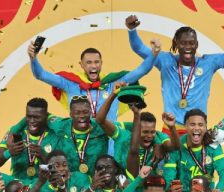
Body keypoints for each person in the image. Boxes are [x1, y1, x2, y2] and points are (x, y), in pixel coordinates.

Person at [125, 13, 224, 125]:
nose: (188, 47)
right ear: (176, 43)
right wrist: (132, 30)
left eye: (191, 43)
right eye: (183, 43)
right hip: (171, 128)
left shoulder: (209, 63)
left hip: (198, 129)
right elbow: (139, 48)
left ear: (196, 44)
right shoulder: (165, 60)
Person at [27, 26, 158, 121]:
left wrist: (154, 54)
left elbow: (141, 71)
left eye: (96, 62)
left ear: (101, 63)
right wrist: (33, 58)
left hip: (109, 144)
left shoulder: (114, 82)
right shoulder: (70, 83)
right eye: (89, 62)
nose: (93, 66)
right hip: (82, 142)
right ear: (81, 65)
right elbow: (41, 75)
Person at [164, 109, 224, 192]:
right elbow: (169, 175)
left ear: (205, 127)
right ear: (185, 126)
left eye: (200, 125)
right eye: (192, 124)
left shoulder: (212, 145)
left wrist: (218, 189)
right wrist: (170, 189)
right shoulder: (177, 145)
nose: (196, 128)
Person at [0, 98, 68, 184]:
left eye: (36, 117)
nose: (32, 121)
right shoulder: (15, 134)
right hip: (18, 186)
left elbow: (62, 172)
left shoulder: (55, 136)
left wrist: (44, 157)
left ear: (46, 117)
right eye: (29, 116)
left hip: (44, 187)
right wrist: (9, 152)